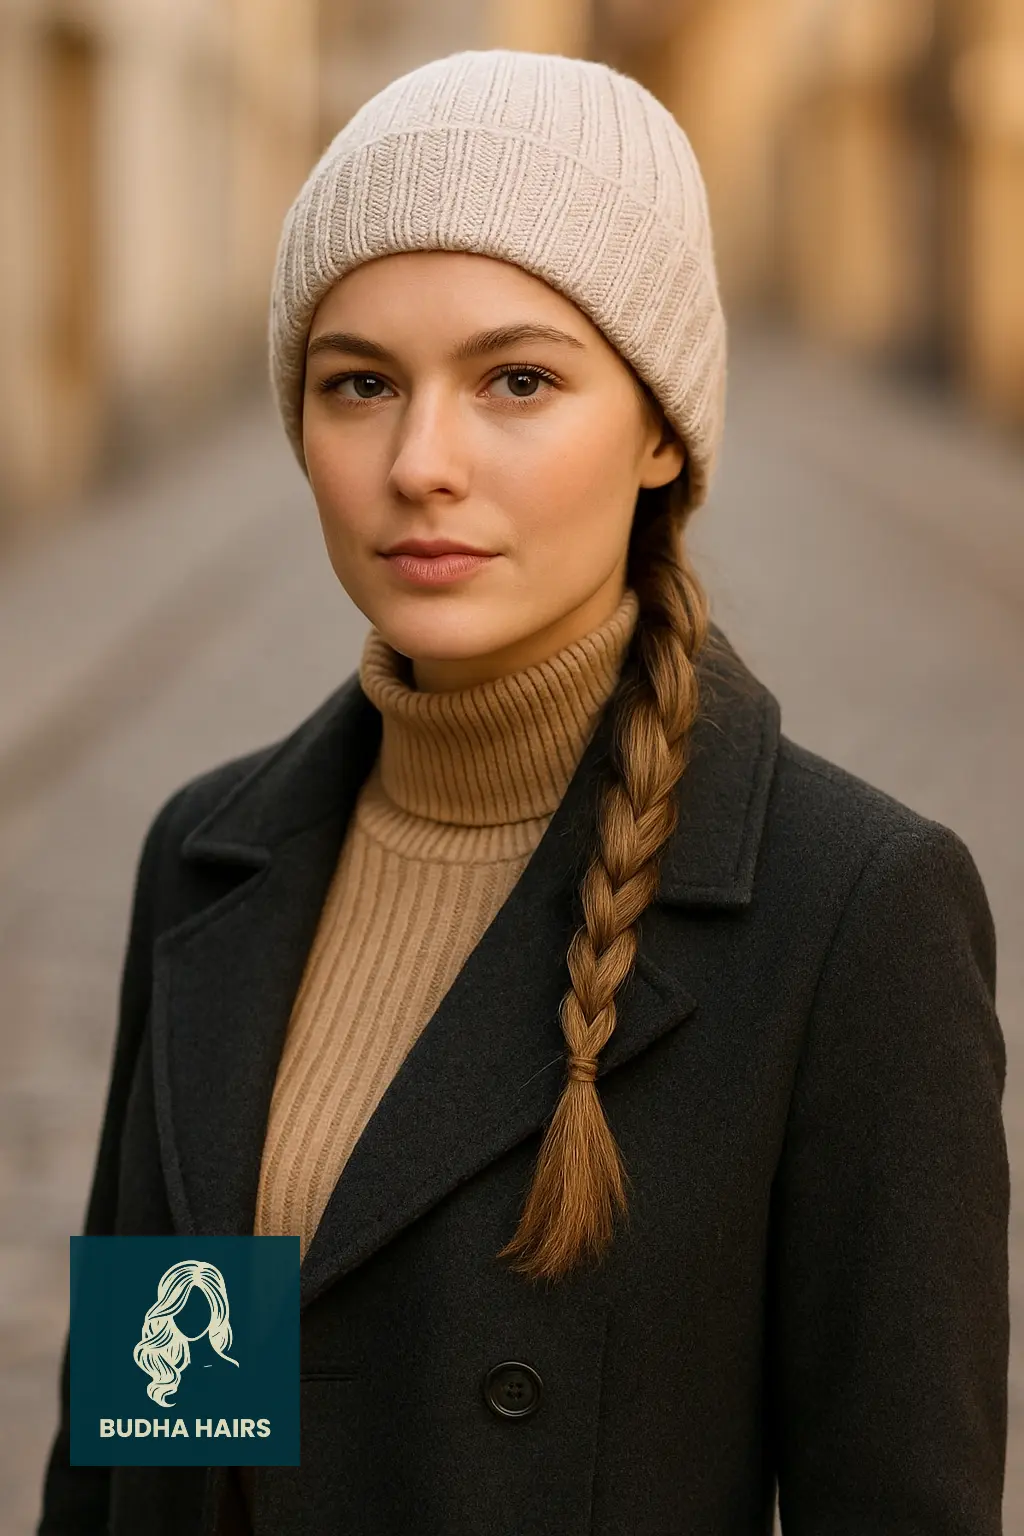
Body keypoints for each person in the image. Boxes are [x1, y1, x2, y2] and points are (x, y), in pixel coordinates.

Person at [36, 47, 1009, 1536]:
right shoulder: (212, 854)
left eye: (518, 380)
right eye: (359, 382)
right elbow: (146, 1438)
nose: (421, 463)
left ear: (662, 429)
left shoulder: (854, 912)